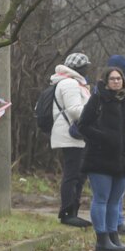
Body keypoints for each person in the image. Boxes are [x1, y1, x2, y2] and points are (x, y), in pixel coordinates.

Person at [78, 63, 125, 251]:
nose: (116, 82)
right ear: (106, 82)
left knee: (115, 200)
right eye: (112, 79)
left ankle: (114, 237)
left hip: (123, 158)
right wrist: (103, 138)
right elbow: (83, 125)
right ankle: (102, 239)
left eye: (119, 78)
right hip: (100, 157)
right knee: (101, 198)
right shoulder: (98, 99)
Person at [49, 54, 93, 228]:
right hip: (70, 135)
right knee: (72, 174)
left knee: (78, 175)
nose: (88, 69)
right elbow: (75, 110)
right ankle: (67, 213)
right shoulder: (70, 83)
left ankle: (73, 212)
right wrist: (95, 109)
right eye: (86, 66)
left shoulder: (74, 82)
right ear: (79, 68)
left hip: (74, 135)